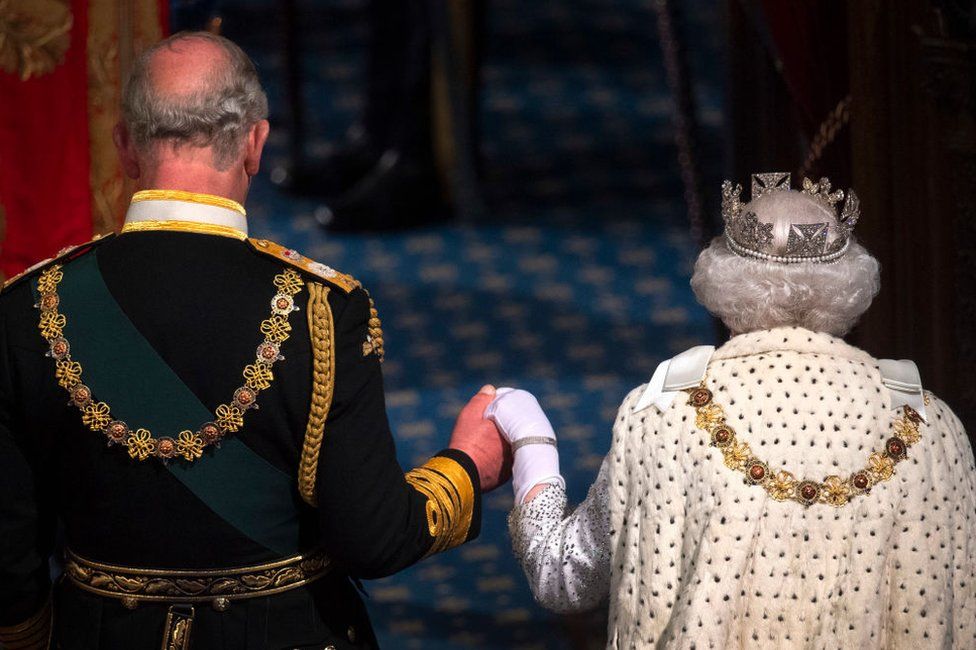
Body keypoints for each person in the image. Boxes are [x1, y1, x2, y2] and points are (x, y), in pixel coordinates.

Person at [0, 32, 508, 650]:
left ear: (126, 147)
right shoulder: (322, 311)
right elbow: (372, 539)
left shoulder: (27, 307)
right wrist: (467, 466)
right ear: (256, 143)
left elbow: (8, 565)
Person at [491, 172, 976, 648]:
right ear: (850, 280)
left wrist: (531, 436)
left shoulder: (663, 416)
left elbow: (563, 575)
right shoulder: (932, 426)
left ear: (722, 279)